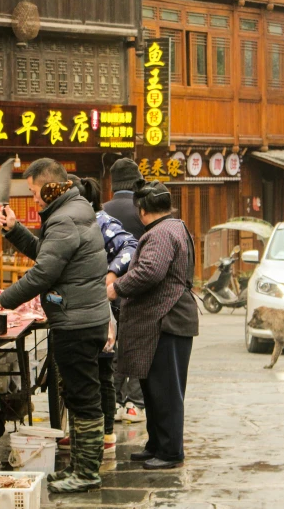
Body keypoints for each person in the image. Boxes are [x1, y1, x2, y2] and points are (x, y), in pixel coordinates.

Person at [0, 158, 109, 493]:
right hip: (84, 317)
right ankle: (80, 467)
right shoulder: (73, 211)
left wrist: (2, 300)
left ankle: (86, 473)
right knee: (80, 394)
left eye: (35, 191)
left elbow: (44, 273)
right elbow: (48, 254)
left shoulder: (65, 219)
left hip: (77, 322)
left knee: (83, 397)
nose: (34, 198)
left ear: (53, 186)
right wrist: (16, 231)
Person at [107, 179, 198, 470]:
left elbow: (150, 271)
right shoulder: (172, 227)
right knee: (153, 388)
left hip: (168, 321)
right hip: (163, 321)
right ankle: (156, 444)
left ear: (143, 210)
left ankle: (171, 451)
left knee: (166, 390)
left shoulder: (160, 233)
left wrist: (117, 287)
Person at [54, 175, 137, 458]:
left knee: (101, 372)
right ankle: (83, 435)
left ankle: (105, 435)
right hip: (76, 311)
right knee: (84, 375)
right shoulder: (73, 221)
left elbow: (131, 246)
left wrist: (111, 275)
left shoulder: (100, 221)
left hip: (100, 311)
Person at [103, 158, 147, 424]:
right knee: (140, 347)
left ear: (113, 184)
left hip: (109, 290)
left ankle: (116, 399)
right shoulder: (144, 210)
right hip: (139, 290)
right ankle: (134, 404)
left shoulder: (102, 211)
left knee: (113, 346)